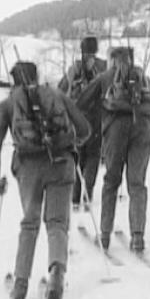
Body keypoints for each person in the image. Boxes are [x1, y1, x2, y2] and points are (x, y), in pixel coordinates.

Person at [0, 60, 90, 299]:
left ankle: (21, 283)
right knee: (57, 223)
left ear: (14, 80)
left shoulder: (9, 104)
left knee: (30, 222)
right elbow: (84, 129)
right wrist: (68, 145)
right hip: (62, 164)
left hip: (29, 167)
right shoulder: (57, 96)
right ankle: (56, 274)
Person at [76, 46, 150, 253]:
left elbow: (82, 101)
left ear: (112, 59)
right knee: (137, 183)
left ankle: (104, 236)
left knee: (111, 181)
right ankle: (138, 237)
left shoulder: (105, 77)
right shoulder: (142, 76)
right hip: (144, 128)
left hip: (116, 130)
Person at [58, 35, 107, 209]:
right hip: (96, 118)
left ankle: (76, 196)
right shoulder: (103, 67)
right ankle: (87, 193)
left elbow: (61, 89)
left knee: (78, 156)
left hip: (76, 118)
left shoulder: (74, 68)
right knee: (93, 156)